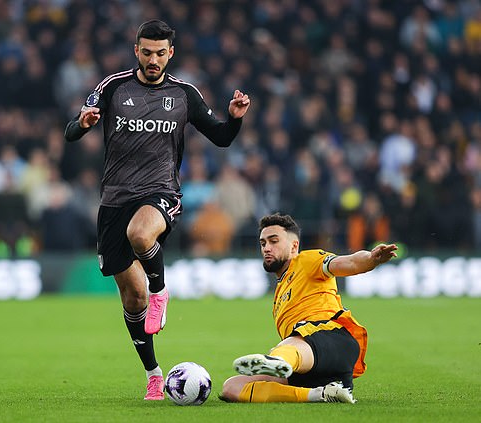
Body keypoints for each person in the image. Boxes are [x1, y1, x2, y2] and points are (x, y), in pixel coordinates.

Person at [64, 19, 250, 401]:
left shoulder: (184, 95)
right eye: (146, 52)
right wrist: (81, 124)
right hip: (114, 201)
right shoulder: (112, 87)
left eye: (160, 53)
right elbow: (71, 131)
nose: (153, 59)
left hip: (161, 192)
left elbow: (221, 138)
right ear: (136, 50)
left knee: (141, 234)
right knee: (133, 298)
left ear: (171, 54)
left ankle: (161, 292)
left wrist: (234, 117)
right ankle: (153, 374)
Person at [220, 213, 397, 404]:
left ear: (294, 246)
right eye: (263, 243)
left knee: (289, 344)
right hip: (312, 366)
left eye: (273, 241)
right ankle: (320, 394)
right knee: (232, 387)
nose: (267, 248)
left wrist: (371, 258)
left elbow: (349, 262)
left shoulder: (306, 260)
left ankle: (279, 360)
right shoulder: (279, 294)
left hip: (332, 340)